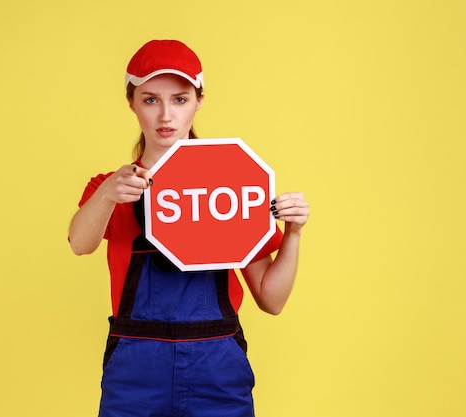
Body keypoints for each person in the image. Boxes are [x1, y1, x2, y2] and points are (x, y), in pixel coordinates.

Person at [68, 39, 310, 417]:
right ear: (131, 103)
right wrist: (108, 196)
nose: (166, 115)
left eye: (179, 99)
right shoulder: (109, 188)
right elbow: (79, 244)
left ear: (199, 100)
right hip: (135, 374)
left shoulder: (230, 187)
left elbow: (271, 298)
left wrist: (293, 233)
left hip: (217, 371)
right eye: (151, 99)